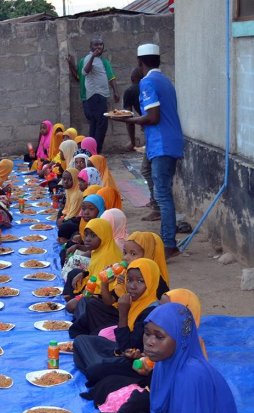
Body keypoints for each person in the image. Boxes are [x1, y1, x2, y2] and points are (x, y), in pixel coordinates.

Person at [87, 302, 242, 413]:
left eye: (159, 337)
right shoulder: (163, 364)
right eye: (147, 333)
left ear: (180, 340)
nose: (149, 342)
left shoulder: (192, 376)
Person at [109, 44, 183, 258]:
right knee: (157, 184)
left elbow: (153, 117)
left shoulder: (148, 81)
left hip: (162, 143)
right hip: (165, 141)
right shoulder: (165, 81)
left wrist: (128, 119)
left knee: (163, 194)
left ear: (140, 63)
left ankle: (169, 244)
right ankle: (168, 239)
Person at [73, 259, 161, 384]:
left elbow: (127, 347)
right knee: (81, 340)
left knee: (94, 370)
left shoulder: (151, 312)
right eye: (129, 280)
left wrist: (123, 314)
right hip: (122, 350)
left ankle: (98, 364)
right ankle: (98, 361)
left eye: (140, 281)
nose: (132, 286)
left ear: (152, 282)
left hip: (136, 362)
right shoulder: (135, 300)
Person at [67, 36, 120, 153]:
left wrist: (116, 91)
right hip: (92, 97)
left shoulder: (103, 61)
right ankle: (95, 151)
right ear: (90, 47)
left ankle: (91, 151)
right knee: (101, 123)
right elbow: (80, 75)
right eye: (96, 45)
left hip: (90, 98)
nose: (99, 47)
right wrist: (71, 65)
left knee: (95, 124)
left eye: (101, 44)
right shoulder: (87, 60)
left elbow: (111, 77)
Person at [123, 67, 143, 151]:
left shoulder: (130, 91)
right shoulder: (150, 86)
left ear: (132, 79)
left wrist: (132, 142)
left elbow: (128, 117)